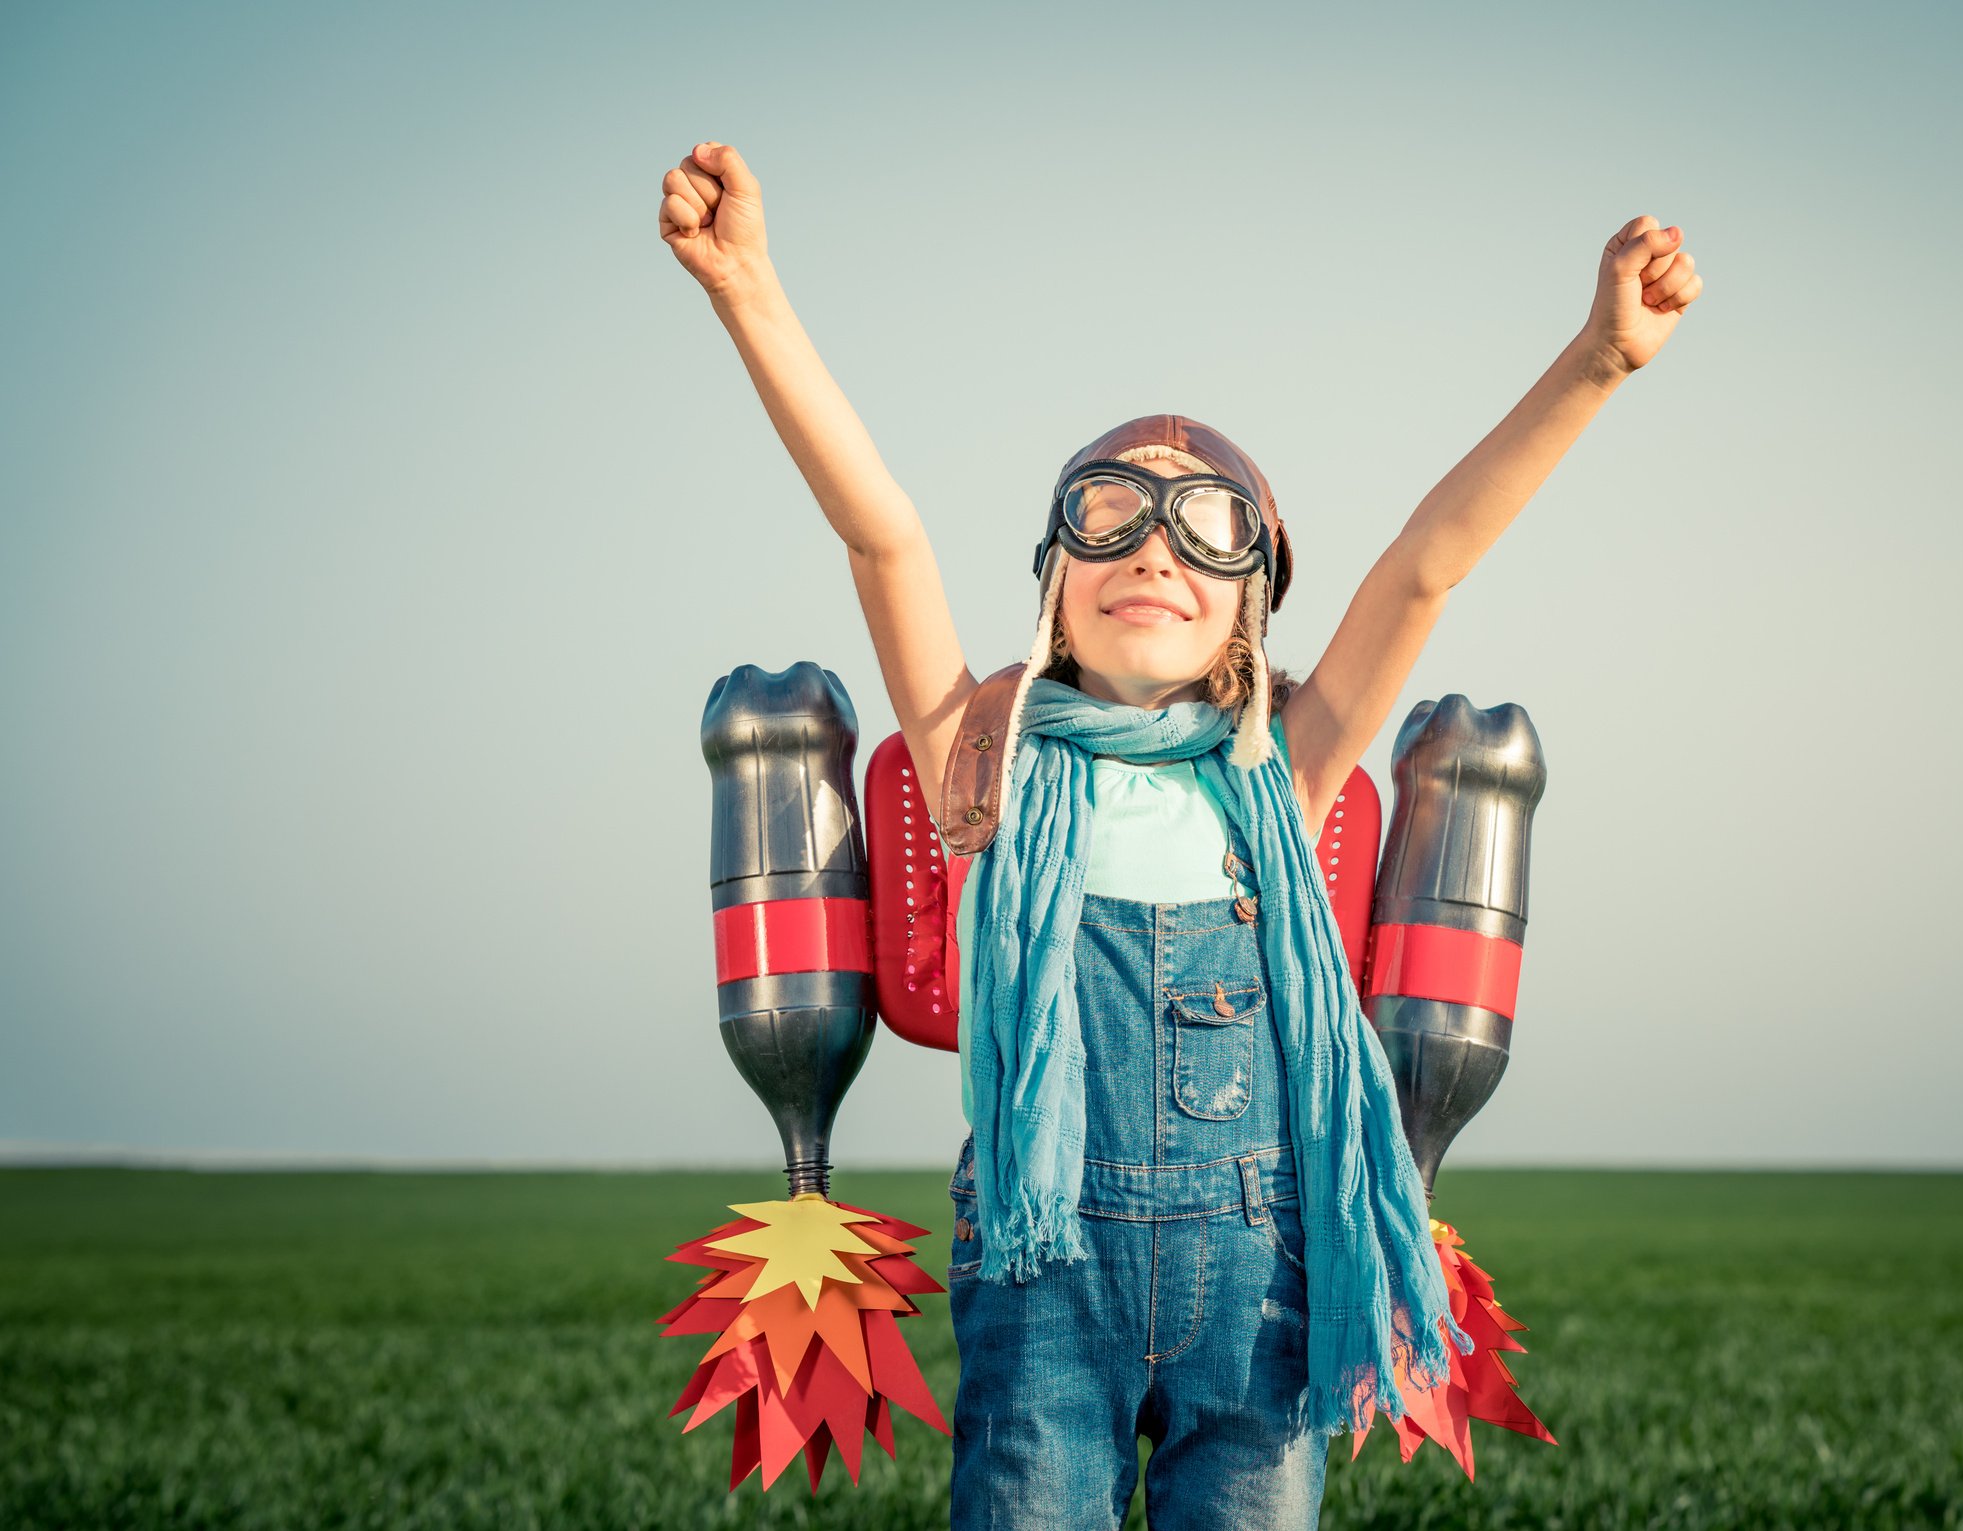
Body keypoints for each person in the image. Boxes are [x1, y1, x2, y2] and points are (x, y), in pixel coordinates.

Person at [659, 138, 1701, 1530]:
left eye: (1204, 526)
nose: (1153, 548)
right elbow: (883, 538)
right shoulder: (988, 765)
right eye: (1108, 515)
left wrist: (1599, 359)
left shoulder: (1290, 768)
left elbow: (1430, 558)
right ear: (1052, 586)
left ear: (1252, 601)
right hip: (1043, 1291)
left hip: (1260, 1293)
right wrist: (749, 290)